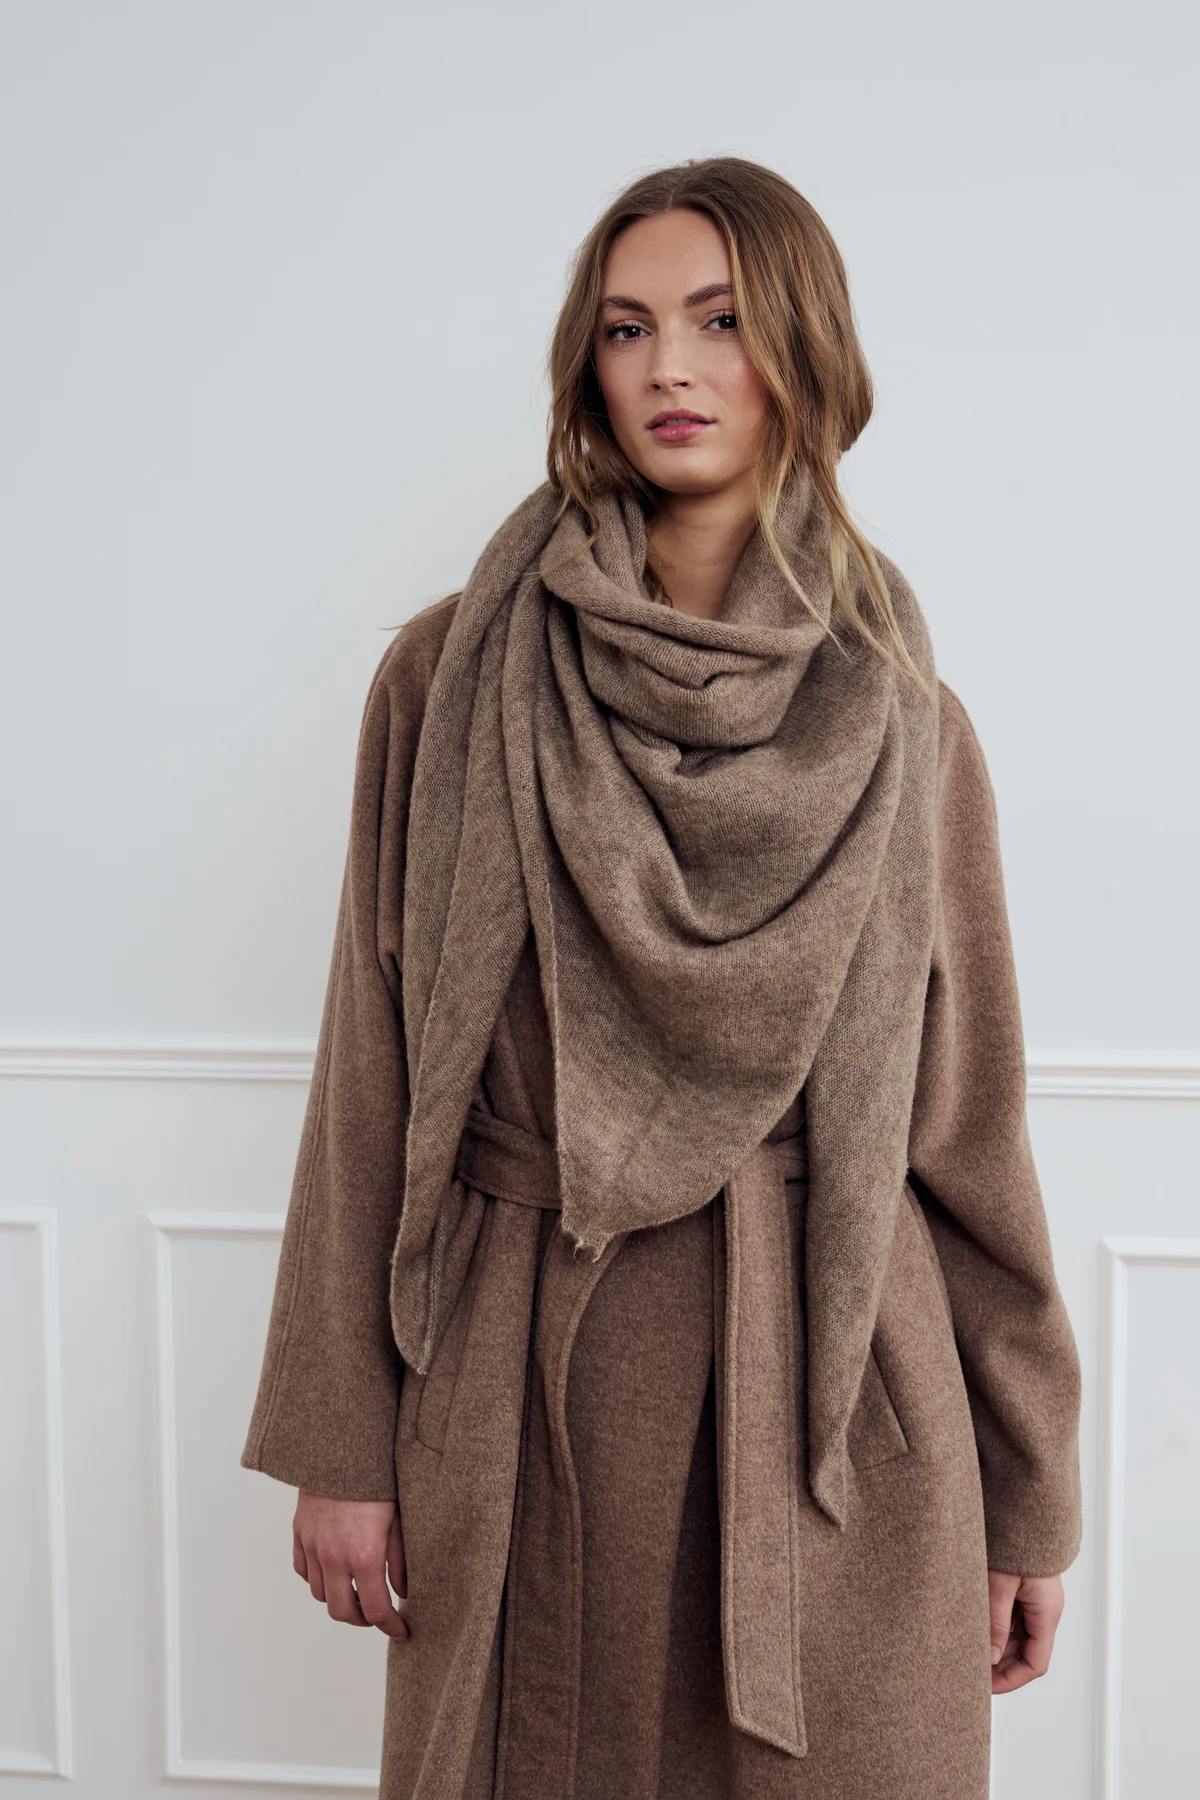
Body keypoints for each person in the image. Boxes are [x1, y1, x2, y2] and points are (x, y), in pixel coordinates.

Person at [241, 156, 1083, 1800]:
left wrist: (1028, 1493)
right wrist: (343, 1444)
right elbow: (371, 1067)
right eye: (628, 329)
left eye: (721, 321)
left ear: (803, 353)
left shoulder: (904, 720)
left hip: (830, 1407)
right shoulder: (449, 678)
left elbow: (968, 1133)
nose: (670, 370)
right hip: (523, 1385)